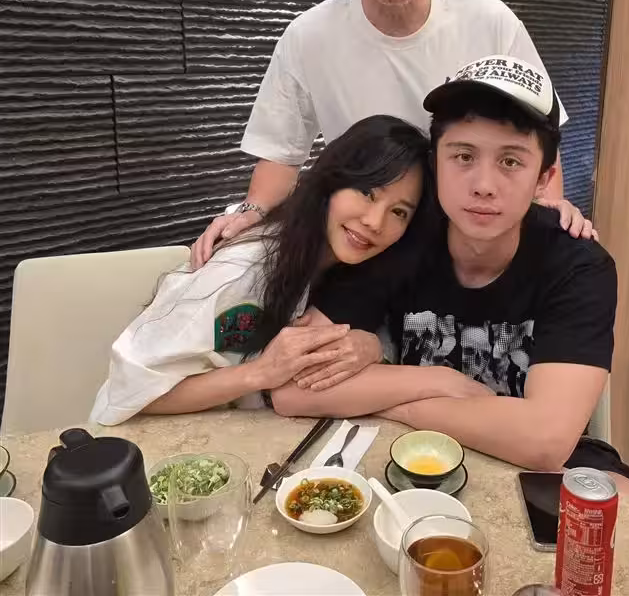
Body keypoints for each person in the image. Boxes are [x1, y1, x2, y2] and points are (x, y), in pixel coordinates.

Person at [191, 0, 593, 270]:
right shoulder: (308, 36)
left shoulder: (491, 21)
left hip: (468, 248)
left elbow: (538, 132)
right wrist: (251, 212)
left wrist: (550, 210)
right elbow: (281, 154)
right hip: (368, 246)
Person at [269, 55, 629, 497]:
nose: (483, 185)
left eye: (511, 162)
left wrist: (399, 404)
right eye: (463, 156)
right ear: (435, 165)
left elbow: (546, 441)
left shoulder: (577, 265)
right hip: (410, 456)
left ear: (544, 179)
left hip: (537, 464)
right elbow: (292, 389)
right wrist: (441, 384)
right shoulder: (396, 238)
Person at [91, 116, 491, 426]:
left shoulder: (351, 269)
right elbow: (130, 394)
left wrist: (371, 345)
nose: (375, 221)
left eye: (399, 212)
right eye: (367, 192)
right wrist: (259, 374)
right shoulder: (242, 272)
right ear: (332, 181)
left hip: (254, 437)